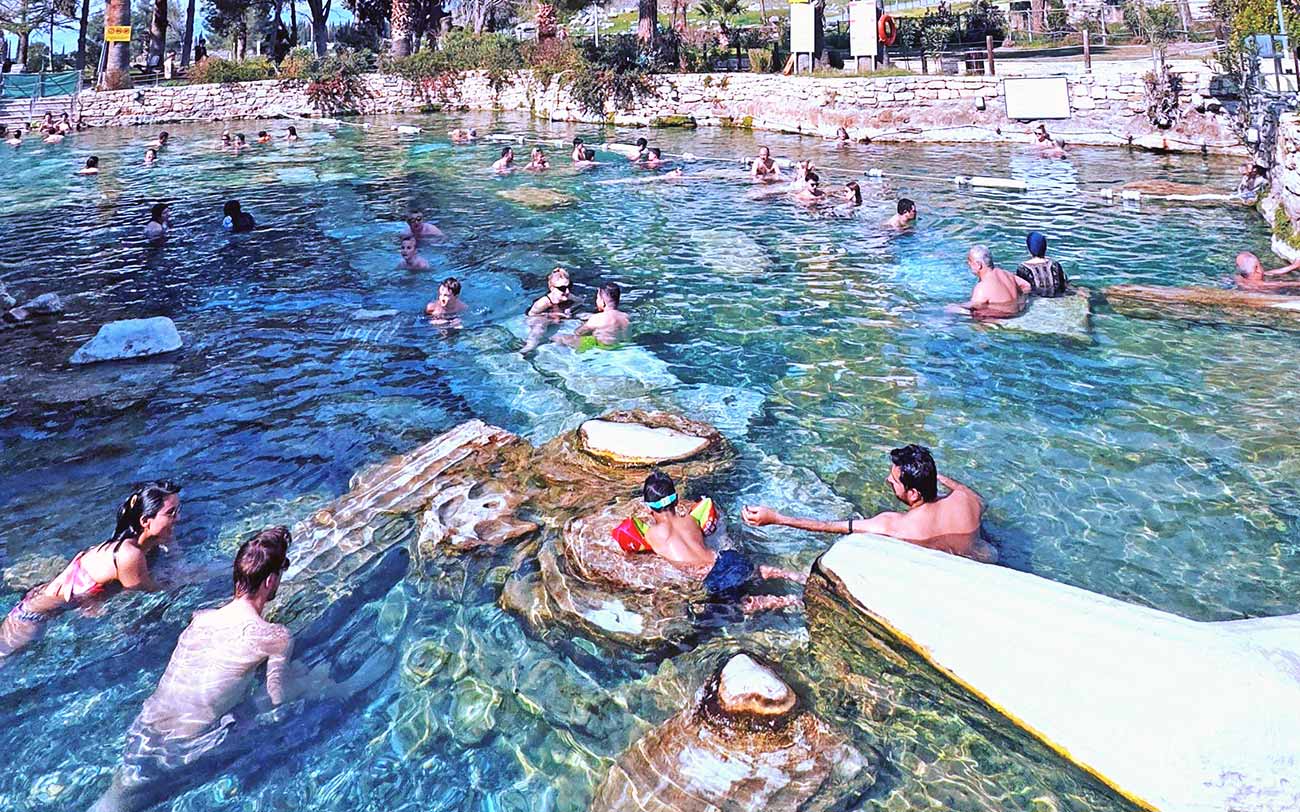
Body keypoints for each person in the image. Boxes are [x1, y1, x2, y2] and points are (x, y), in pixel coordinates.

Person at [88, 526, 359, 812]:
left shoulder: (201, 618)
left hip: (145, 728)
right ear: (270, 580)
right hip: (189, 743)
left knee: (118, 797)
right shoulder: (273, 636)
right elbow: (276, 697)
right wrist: (317, 684)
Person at [1, 481, 182, 659]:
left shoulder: (130, 545)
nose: (178, 518)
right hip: (32, 615)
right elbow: (152, 592)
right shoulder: (128, 555)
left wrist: (168, 542)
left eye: (177, 511)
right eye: (170, 513)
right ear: (145, 521)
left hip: (40, 600)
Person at [743, 445, 995, 562]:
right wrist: (935, 476)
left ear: (914, 494)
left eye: (895, 481)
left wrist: (776, 518)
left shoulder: (895, 525)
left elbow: (832, 526)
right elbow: (977, 499)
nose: (888, 480)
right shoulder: (966, 500)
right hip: (985, 558)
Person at [638, 471, 805, 611]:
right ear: (676, 499)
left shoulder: (652, 535)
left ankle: (791, 601)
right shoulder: (690, 519)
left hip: (713, 577)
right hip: (728, 558)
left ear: (648, 507)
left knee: (742, 605)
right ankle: (795, 576)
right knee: (757, 570)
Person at [950, 244, 1030, 318]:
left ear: (978, 265)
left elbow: (975, 305)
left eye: (970, 261)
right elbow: (1027, 286)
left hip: (1000, 317)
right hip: (1016, 312)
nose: (968, 264)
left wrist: (956, 306)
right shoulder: (1006, 273)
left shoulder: (982, 287)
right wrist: (1020, 301)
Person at [573, 282, 629, 346]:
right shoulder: (626, 317)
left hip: (603, 348)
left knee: (561, 338)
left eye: (597, 298)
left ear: (602, 302)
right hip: (621, 346)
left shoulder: (597, 319)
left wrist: (583, 323)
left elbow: (578, 333)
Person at [1016, 231, 1069, 297]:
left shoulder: (1023, 268)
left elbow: (1022, 291)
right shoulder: (1055, 264)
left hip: (1036, 300)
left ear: (1029, 248)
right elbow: (1064, 286)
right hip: (1058, 298)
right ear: (1045, 247)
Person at [1234, 251, 1300, 290]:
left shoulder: (1239, 278)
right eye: (1260, 265)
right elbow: (1283, 284)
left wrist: (1294, 266)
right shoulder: (1261, 284)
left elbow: (1271, 272)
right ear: (1257, 269)